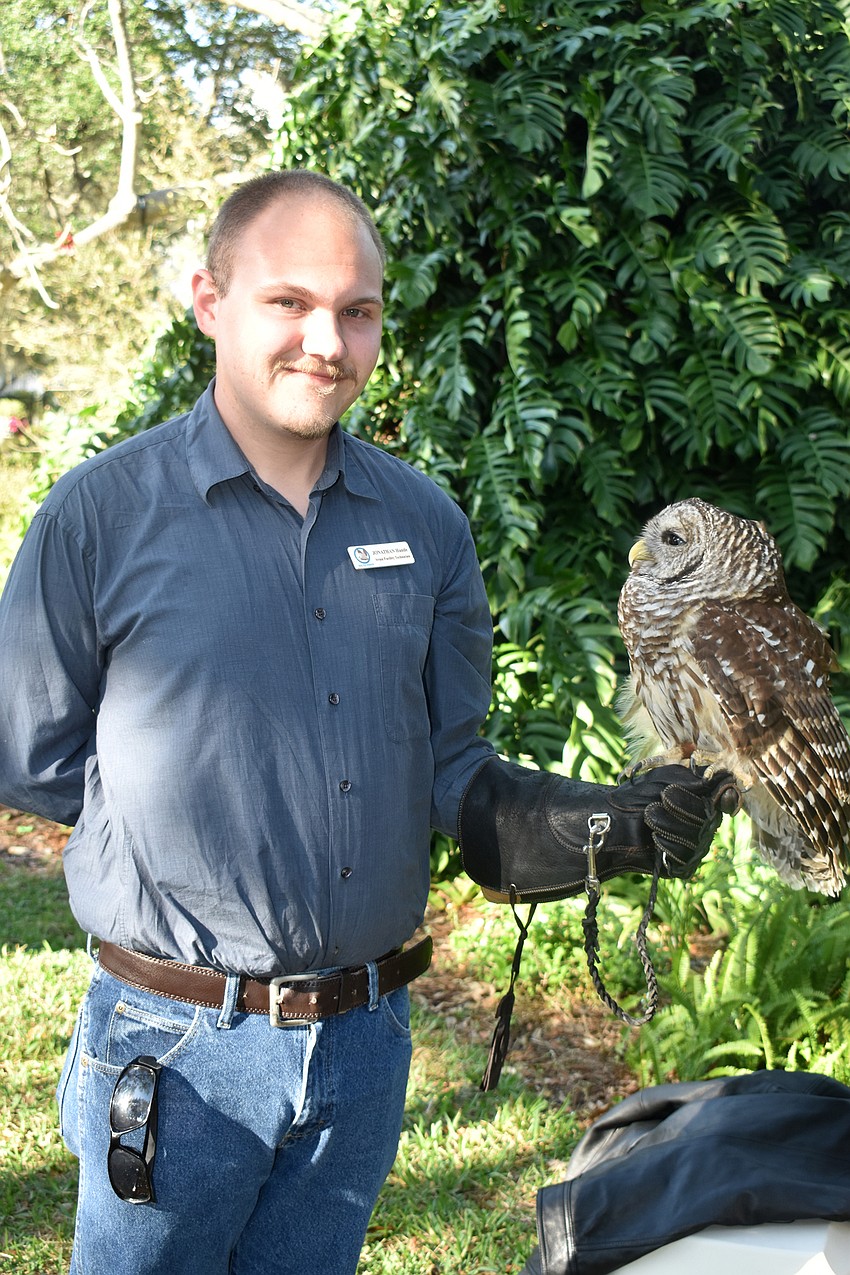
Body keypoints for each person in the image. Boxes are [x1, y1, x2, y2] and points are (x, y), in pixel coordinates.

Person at [0, 170, 732, 1275]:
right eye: (287, 302)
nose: (326, 343)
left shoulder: (424, 523)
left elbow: (448, 765)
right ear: (209, 299)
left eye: (357, 310)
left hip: (362, 1045)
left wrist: (601, 826)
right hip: (178, 1046)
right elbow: (34, 752)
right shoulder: (101, 515)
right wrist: (176, 831)